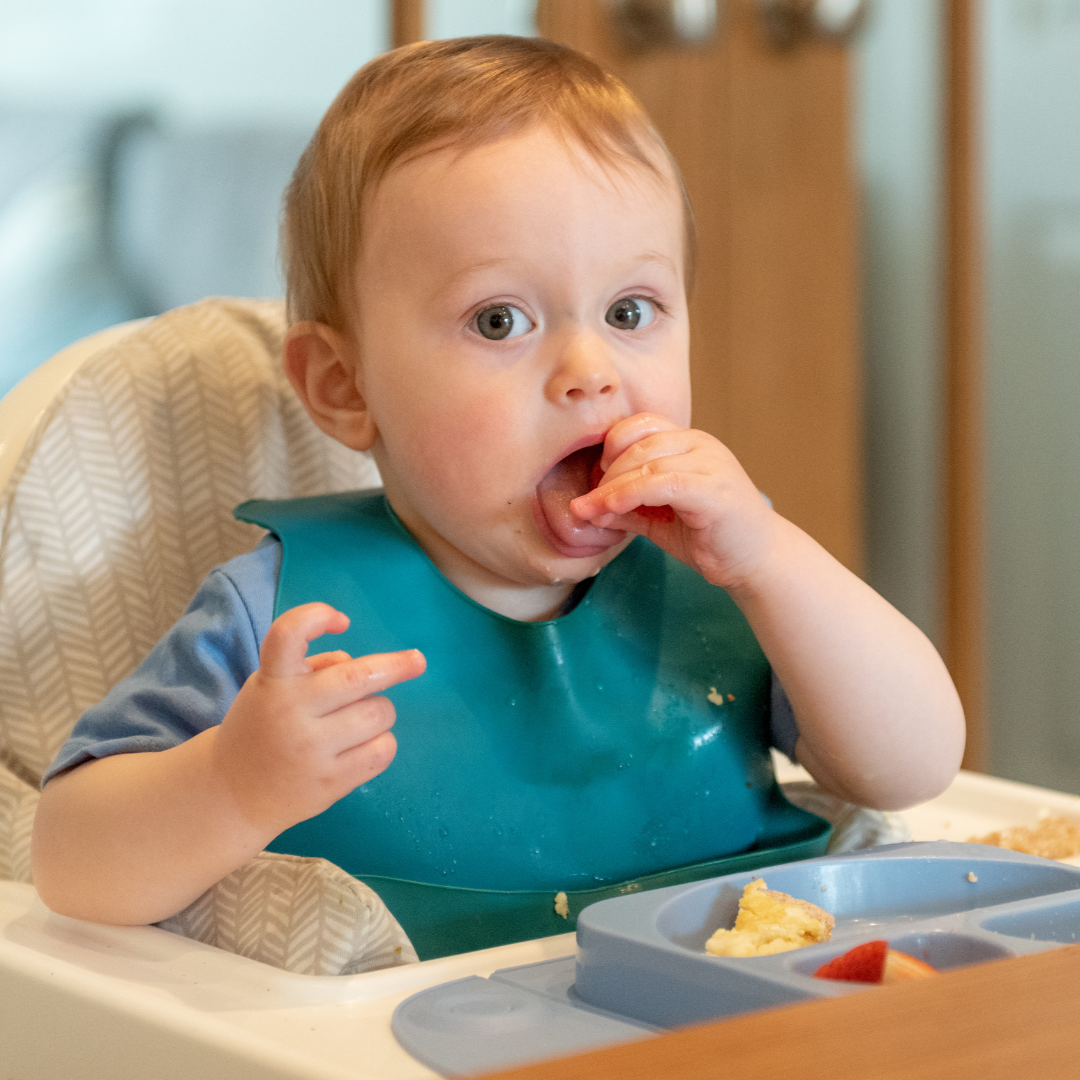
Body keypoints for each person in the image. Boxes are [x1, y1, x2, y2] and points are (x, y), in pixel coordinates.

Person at [31, 36, 964, 958]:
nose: (591, 372)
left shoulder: (729, 575)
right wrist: (234, 783)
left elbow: (911, 767)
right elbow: (70, 866)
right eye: (499, 320)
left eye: (630, 312)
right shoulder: (287, 623)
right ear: (345, 386)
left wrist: (773, 560)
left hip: (733, 1024)